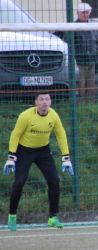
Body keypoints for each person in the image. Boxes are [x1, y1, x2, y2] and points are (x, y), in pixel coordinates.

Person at [4, 92, 74, 231]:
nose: (44, 102)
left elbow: (60, 133)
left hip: (43, 151)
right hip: (24, 151)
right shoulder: (26, 116)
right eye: (41, 99)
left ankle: (53, 217)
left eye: (47, 99)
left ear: (51, 101)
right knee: (19, 182)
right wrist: (11, 157)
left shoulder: (53, 115)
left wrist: (66, 157)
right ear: (36, 102)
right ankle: (12, 216)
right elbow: (15, 134)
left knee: (54, 180)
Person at [74, 3, 98, 101]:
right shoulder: (73, 28)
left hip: (92, 61)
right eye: (83, 12)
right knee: (81, 84)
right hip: (79, 62)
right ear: (78, 13)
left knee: (91, 85)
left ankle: (91, 105)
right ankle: (81, 105)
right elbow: (68, 45)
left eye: (87, 12)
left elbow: (96, 43)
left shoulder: (93, 27)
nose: (85, 15)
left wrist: (97, 57)